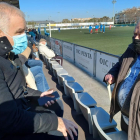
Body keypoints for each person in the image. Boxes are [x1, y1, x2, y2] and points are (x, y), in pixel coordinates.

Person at [0, 2, 78, 140]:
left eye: (25, 30)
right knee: (68, 134)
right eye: (19, 32)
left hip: (22, 105)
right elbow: (9, 120)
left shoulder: (9, 54)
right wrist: (55, 123)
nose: (25, 36)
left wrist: (40, 95)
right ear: (1, 34)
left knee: (55, 101)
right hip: (10, 128)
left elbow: (20, 90)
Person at [104, 21, 140, 139]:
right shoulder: (131, 49)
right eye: (134, 34)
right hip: (125, 117)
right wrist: (112, 74)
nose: (136, 38)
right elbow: (120, 64)